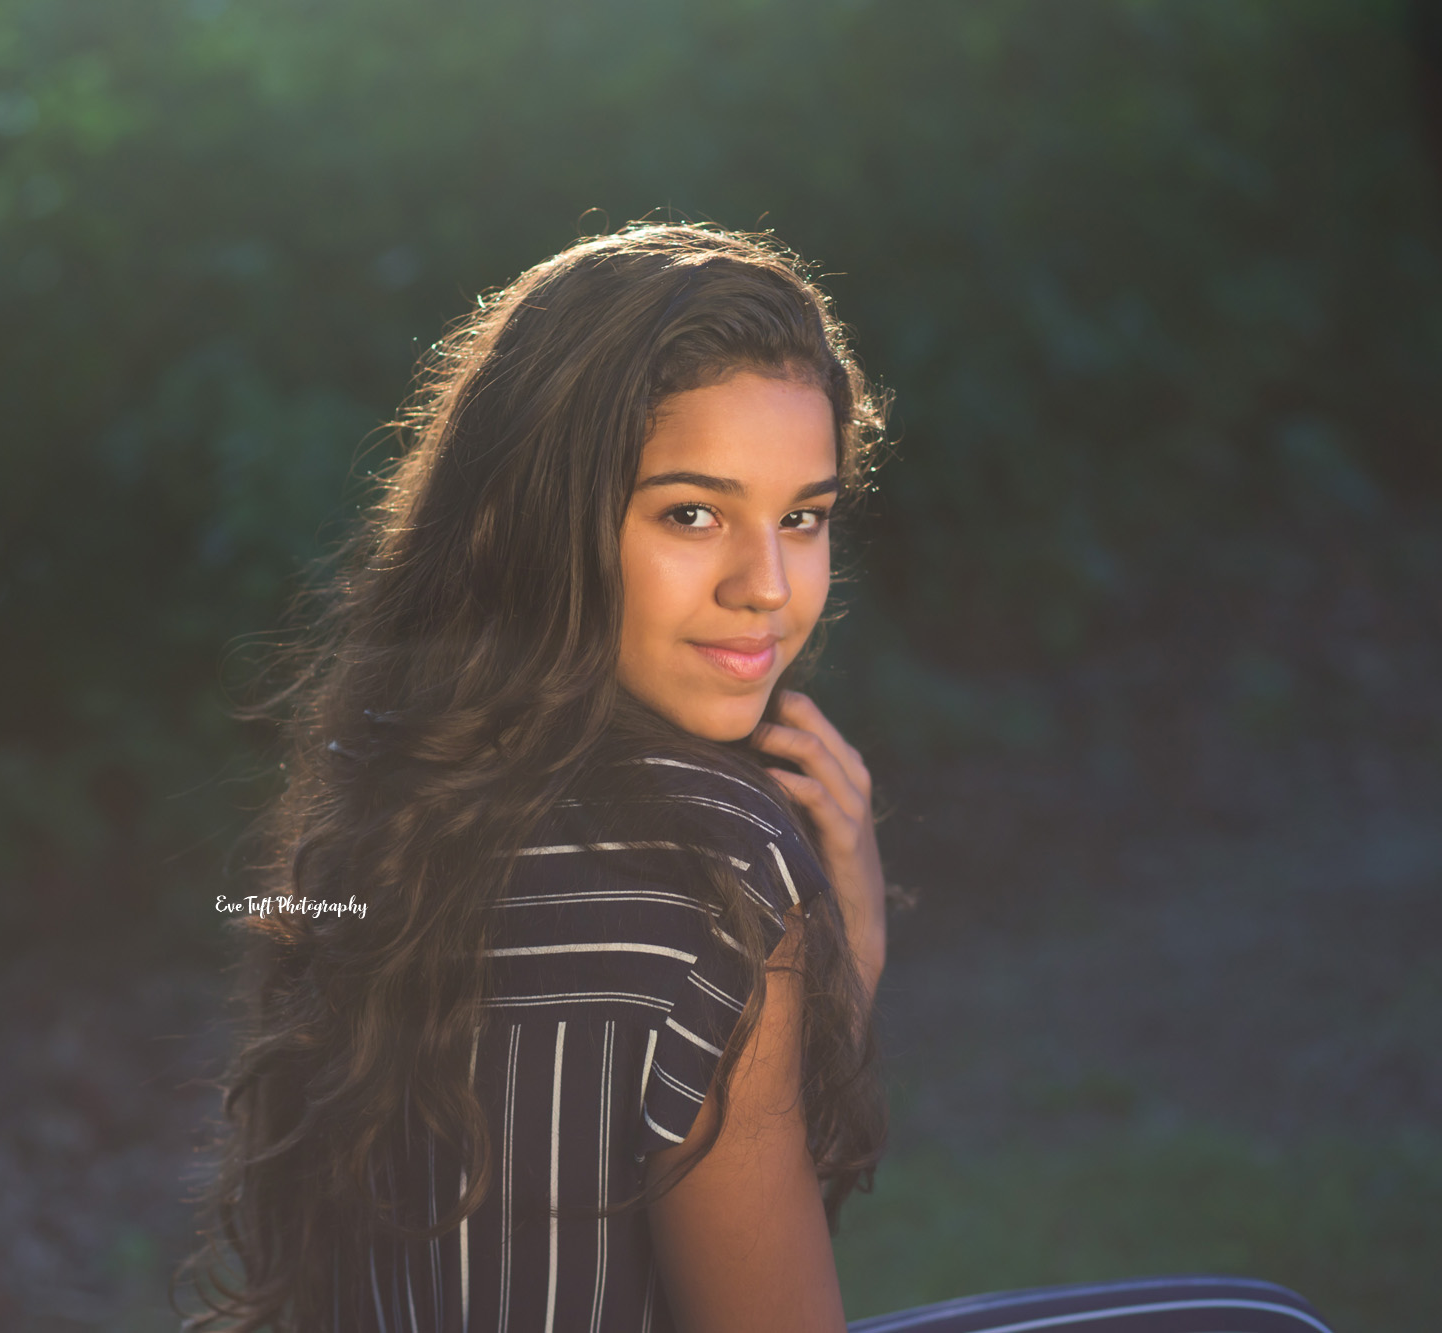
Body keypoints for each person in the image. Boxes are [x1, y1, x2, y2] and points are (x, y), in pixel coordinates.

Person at [176, 224, 1334, 1333]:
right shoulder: (714, 856)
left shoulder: (387, 811)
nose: (766, 585)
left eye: (802, 516)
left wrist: (826, 988)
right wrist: (827, 961)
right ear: (527, 520)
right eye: (692, 513)